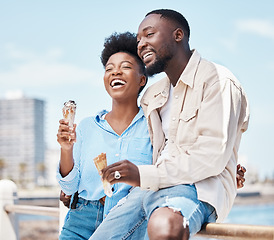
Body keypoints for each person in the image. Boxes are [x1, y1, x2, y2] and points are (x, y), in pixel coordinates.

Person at [89, 9, 250, 240]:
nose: (141, 44)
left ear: (178, 35)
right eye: (138, 40)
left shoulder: (218, 81)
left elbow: (211, 157)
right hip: (149, 189)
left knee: (165, 226)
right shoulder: (152, 95)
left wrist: (142, 174)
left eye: (149, 34)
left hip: (197, 190)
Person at [56, 32, 152, 239]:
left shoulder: (153, 127)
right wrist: (66, 149)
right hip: (80, 221)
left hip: (130, 223)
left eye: (125, 66)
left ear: (142, 79)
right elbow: (69, 187)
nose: (116, 72)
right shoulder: (86, 127)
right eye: (109, 68)